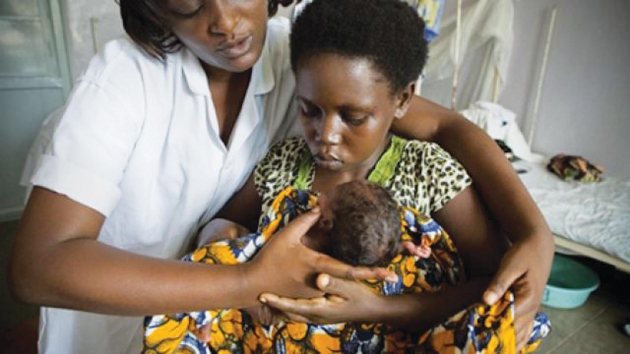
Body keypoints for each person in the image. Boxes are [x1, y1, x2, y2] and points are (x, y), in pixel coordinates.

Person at [7, 0, 553, 352]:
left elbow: (449, 125)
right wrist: (244, 275)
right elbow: (37, 266)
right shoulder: (124, 81)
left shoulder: (304, 55)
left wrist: (535, 233)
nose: (224, 20)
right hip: (111, 327)